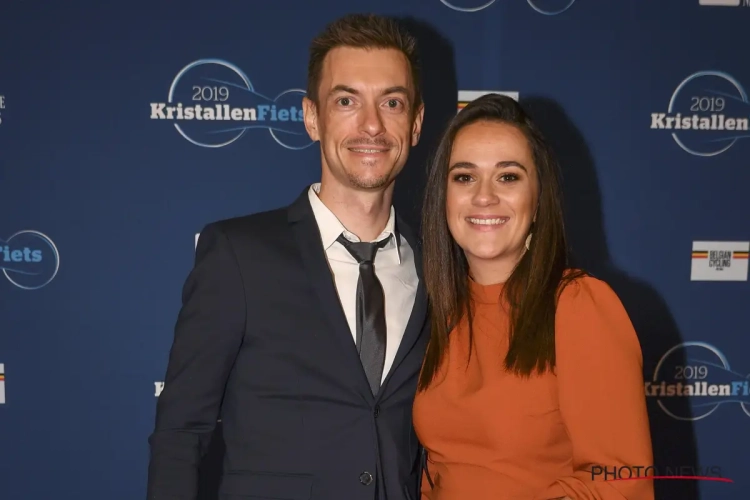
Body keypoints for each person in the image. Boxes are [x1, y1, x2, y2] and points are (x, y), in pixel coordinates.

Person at [146, 13, 428, 500]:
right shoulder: (238, 255)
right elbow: (181, 432)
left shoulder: (437, 268)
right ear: (311, 118)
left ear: (416, 123)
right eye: (346, 101)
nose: (372, 125)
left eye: (392, 102)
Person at [412, 93, 654, 500]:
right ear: (443, 197)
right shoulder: (439, 311)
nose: (484, 196)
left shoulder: (577, 305)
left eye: (508, 177)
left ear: (538, 200)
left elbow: (620, 481)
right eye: (464, 177)